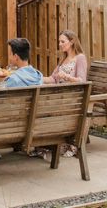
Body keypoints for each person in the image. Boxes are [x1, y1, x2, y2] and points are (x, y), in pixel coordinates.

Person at [39, 30, 87, 158]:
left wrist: (66, 77)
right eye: (59, 41)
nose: (60, 44)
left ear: (71, 42)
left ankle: (59, 143)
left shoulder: (80, 58)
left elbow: (82, 81)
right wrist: (36, 78)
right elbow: (53, 79)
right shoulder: (63, 59)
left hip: (73, 99)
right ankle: (46, 143)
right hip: (59, 96)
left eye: (62, 41)